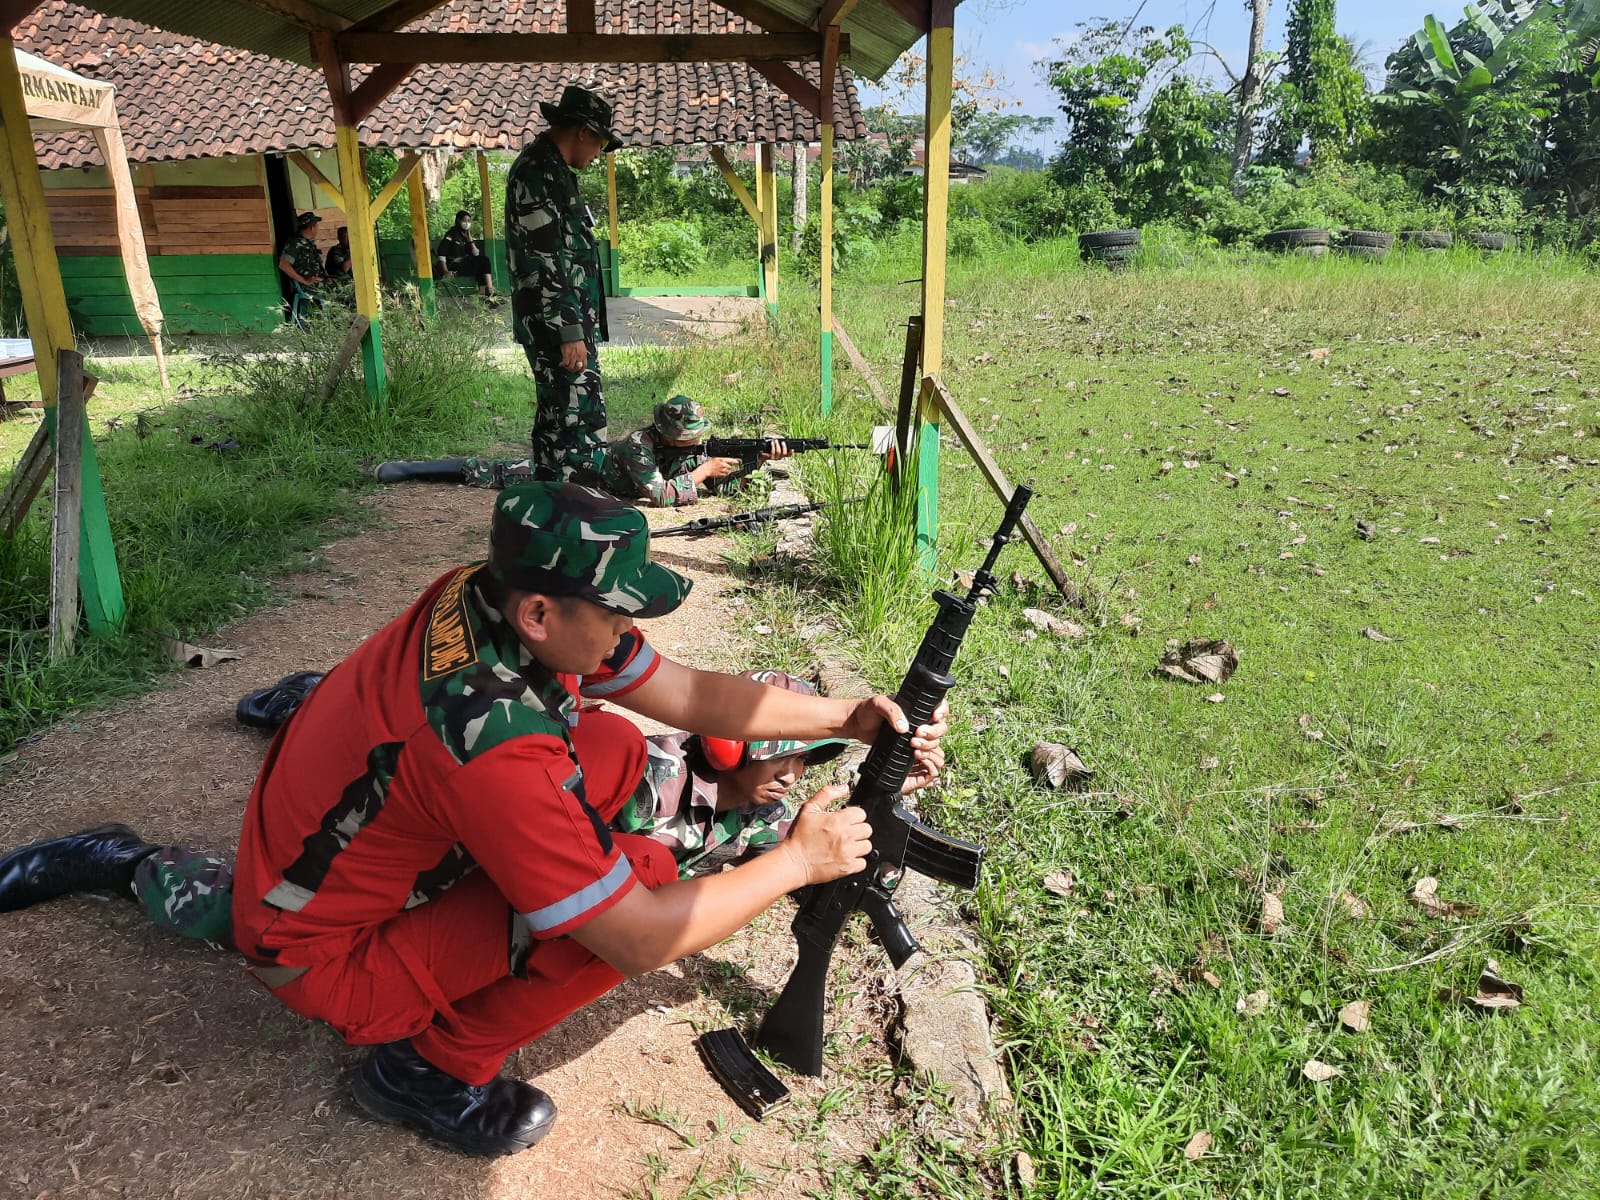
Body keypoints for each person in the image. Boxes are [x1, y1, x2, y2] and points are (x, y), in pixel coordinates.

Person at [0, 481, 946, 1159]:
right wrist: (797, 863)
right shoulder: (495, 748)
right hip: (324, 947)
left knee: (611, 747)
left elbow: (687, 693)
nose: (626, 633)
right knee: (634, 896)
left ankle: (128, 865)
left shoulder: (483, 592)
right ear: (541, 611)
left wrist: (845, 720)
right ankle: (424, 1073)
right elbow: (640, 939)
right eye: (614, 615)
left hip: (330, 843)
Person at [505, 84, 618, 484]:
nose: (599, 153)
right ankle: (579, 511)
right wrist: (570, 332)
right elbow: (545, 260)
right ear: (584, 132)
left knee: (560, 417)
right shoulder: (537, 172)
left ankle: (555, 504)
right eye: (600, 142)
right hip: (558, 325)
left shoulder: (553, 171)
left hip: (564, 321)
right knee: (578, 420)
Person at [376, 397, 789, 501]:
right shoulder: (637, 447)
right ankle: (412, 469)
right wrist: (702, 472)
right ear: (667, 434)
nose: (696, 444)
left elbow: (717, 488)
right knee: (492, 473)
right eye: (689, 438)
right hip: (569, 472)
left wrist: (754, 463)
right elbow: (663, 495)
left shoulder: (679, 453)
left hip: (593, 484)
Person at [435, 209, 498, 303]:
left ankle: (485, 296)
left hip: (464, 264)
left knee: (482, 263)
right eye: (465, 221)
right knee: (483, 262)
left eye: (469, 221)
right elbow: (441, 253)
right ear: (458, 220)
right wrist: (445, 271)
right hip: (454, 265)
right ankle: (490, 291)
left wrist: (470, 239)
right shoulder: (451, 234)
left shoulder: (465, 236)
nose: (467, 223)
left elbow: (476, 254)